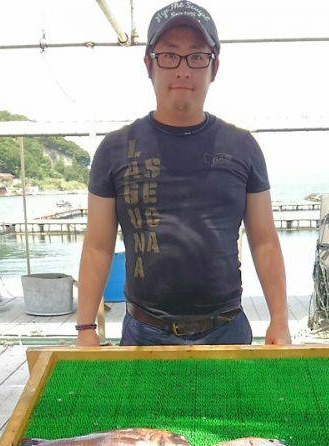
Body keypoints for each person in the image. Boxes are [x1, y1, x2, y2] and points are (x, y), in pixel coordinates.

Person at [76, 1, 291, 347]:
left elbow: (264, 240)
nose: (183, 70)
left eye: (196, 56)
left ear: (213, 67)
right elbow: (98, 246)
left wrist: (280, 320)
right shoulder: (114, 149)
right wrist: (86, 328)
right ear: (149, 64)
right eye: (169, 55)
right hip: (143, 333)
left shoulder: (243, 146)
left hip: (227, 330)